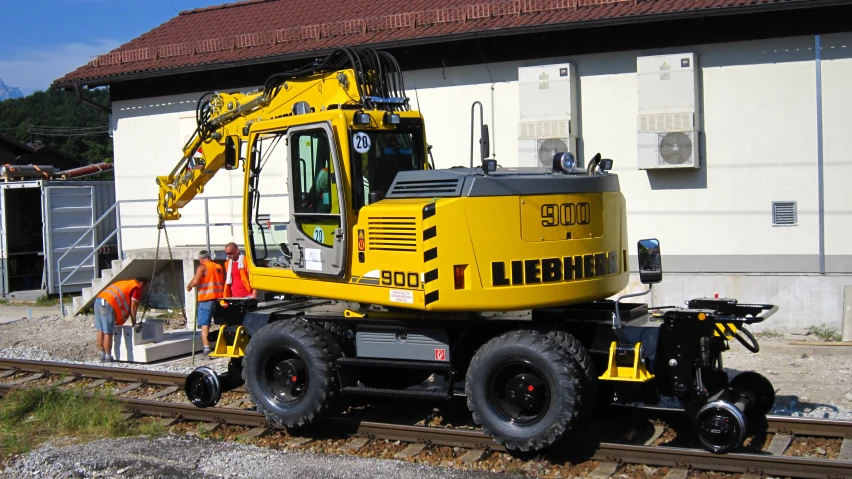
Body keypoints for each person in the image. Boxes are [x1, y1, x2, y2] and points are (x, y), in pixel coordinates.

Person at [94, 276, 151, 362]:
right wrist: (134, 324)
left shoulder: (126, 282)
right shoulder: (136, 288)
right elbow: (133, 308)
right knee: (108, 332)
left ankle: (102, 354)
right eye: (145, 287)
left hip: (98, 301)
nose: (144, 290)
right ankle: (108, 357)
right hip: (108, 304)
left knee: (100, 329)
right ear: (141, 284)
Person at [186, 250, 225, 356]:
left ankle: (207, 349)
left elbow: (196, 281)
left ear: (201, 259)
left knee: (205, 325)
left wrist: (189, 286)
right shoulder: (218, 267)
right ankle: (224, 345)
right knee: (222, 324)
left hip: (206, 300)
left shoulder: (202, 267)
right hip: (219, 300)